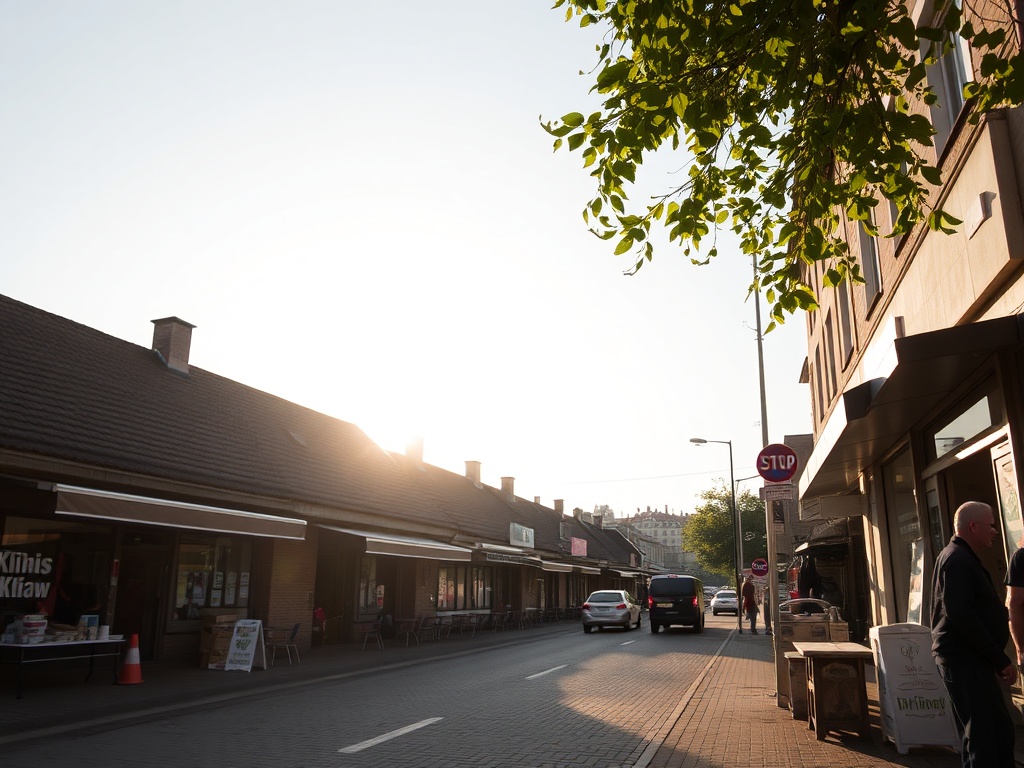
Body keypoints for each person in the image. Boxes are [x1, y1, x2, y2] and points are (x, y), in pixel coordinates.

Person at [931, 501, 1017, 767]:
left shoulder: (958, 557)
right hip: (965, 661)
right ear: (973, 526)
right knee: (984, 736)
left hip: (971, 661)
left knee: (992, 732)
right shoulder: (957, 560)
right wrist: (999, 659)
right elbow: (961, 615)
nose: (994, 531)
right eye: (991, 525)